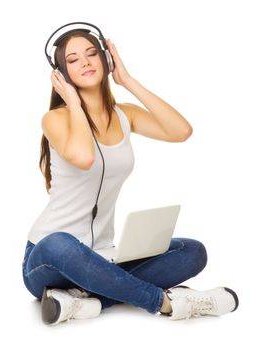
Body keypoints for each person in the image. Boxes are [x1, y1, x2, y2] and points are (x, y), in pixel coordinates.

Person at [22, 25, 239, 325]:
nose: (85, 62)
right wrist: (73, 101)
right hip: (48, 256)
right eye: (73, 60)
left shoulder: (125, 115)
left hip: (102, 255)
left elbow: (181, 131)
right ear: (61, 72)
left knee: (192, 251)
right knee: (62, 242)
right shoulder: (55, 119)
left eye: (91, 53)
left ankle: (83, 300)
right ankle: (166, 303)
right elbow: (85, 158)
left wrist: (128, 81)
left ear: (106, 59)